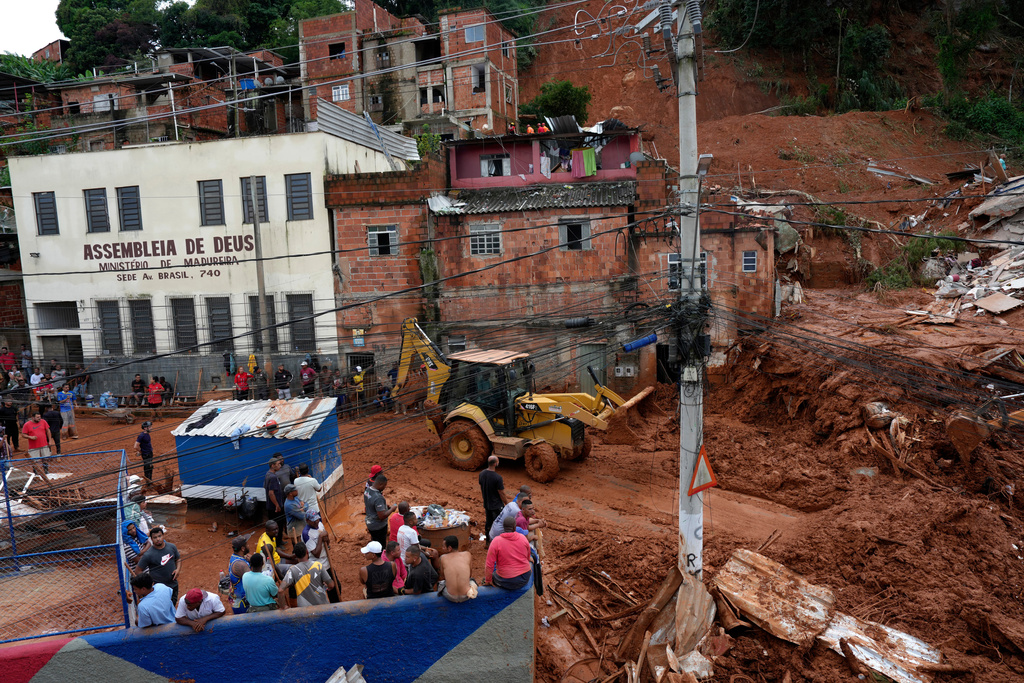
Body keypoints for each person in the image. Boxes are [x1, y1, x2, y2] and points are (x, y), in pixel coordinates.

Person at [136, 526, 182, 604]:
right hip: (159, 589)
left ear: (163, 535)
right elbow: (138, 570)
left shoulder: (172, 547)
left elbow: (178, 559)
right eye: (155, 537)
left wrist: (177, 570)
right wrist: (149, 581)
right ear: (151, 539)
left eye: (159, 536)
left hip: (173, 585)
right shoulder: (148, 554)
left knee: (172, 605)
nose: (158, 539)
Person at [485, 517, 533, 590]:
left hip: (505, 580)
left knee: (494, 574)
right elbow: (527, 556)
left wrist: (488, 580)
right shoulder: (523, 538)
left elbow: (489, 564)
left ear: (504, 527)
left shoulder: (496, 541)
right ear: (514, 527)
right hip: (524, 578)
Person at [302, 510, 339, 603]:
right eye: (313, 520)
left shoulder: (320, 525)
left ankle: (336, 606)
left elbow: (328, 543)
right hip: (317, 566)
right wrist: (320, 537)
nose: (316, 522)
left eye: (317, 519)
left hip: (327, 562)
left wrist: (326, 538)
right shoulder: (306, 533)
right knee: (323, 591)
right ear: (307, 521)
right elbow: (316, 553)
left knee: (337, 586)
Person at [437, 535, 476, 603]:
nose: (442, 548)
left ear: (449, 548)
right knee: (472, 580)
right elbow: (470, 575)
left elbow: (443, 576)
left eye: (443, 546)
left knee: (441, 583)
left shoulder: (443, 558)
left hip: (450, 596)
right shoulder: (467, 554)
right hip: (466, 596)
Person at [479, 455, 508, 546]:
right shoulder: (497, 477)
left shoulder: (482, 474)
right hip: (496, 505)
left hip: (487, 504)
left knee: (488, 523)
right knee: (499, 525)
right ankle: (498, 544)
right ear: (495, 464)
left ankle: (488, 542)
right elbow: (501, 492)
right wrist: (506, 503)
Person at [364, 474, 396, 547]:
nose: (384, 488)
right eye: (384, 486)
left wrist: (384, 507)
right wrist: (392, 509)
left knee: (374, 539)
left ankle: (373, 549)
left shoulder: (367, 490)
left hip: (369, 522)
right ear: (380, 484)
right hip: (378, 526)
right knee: (381, 545)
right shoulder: (378, 497)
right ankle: (379, 555)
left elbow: (371, 504)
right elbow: (382, 516)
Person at [22, 411, 52, 476]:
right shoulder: (27, 424)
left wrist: (50, 441)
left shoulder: (43, 422)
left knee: (45, 459)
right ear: (33, 418)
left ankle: (46, 471)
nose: (39, 418)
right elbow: (23, 434)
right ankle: (36, 473)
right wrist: (30, 437)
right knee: (34, 461)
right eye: (37, 417)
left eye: (40, 417)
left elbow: (48, 431)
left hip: (44, 444)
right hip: (33, 446)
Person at [264, 457, 285, 545]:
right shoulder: (272, 477)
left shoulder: (268, 474)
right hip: (275, 507)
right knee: (278, 525)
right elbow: (271, 493)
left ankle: (279, 541)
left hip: (272, 506)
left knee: (278, 524)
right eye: (278, 464)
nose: (280, 465)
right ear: (273, 466)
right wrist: (277, 505)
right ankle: (278, 543)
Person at [227, 536, 250, 614]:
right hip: (242, 603)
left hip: (237, 598)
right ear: (243, 548)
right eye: (247, 545)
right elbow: (253, 579)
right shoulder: (240, 565)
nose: (249, 546)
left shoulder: (235, 557)